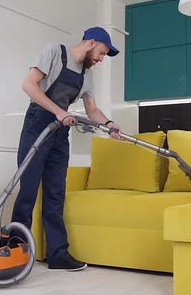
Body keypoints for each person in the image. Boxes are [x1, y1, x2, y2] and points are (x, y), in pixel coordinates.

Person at [11, 27, 124, 271]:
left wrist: (109, 124)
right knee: (28, 191)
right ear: (91, 42)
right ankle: (15, 251)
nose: (101, 59)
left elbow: (92, 110)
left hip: (60, 133)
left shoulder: (86, 75)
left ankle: (58, 254)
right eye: (102, 53)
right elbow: (29, 85)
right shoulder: (54, 52)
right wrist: (59, 111)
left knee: (56, 194)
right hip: (38, 125)